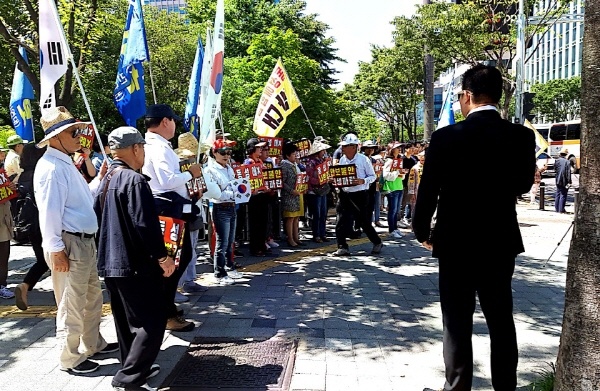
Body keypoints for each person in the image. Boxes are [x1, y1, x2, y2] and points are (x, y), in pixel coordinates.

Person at [412, 64, 535, 391]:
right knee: (501, 321)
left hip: (455, 242)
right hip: (500, 240)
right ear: (499, 95)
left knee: (456, 322)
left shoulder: (445, 138)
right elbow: (523, 184)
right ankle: (505, 388)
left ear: (467, 96)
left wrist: (422, 231)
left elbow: (428, 192)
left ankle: (457, 388)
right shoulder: (521, 137)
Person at [33, 106, 117, 374]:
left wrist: (99, 180)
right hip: (70, 242)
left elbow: (78, 202)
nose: (79, 136)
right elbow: (49, 212)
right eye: (73, 132)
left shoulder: (63, 163)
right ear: (56, 136)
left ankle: (93, 342)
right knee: (72, 302)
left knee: (91, 297)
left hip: (82, 241)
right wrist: (56, 249)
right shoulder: (51, 168)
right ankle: (69, 357)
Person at [94, 126, 175, 391]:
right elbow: (145, 224)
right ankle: (128, 380)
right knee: (153, 318)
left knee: (128, 321)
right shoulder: (134, 180)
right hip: (134, 262)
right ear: (136, 148)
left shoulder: (106, 179)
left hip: (111, 261)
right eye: (143, 149)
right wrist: (163, 257)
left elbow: (96, 215)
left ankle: (135, 367)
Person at [142, 104, 203, 332]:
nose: (175, 125)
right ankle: (165, 312)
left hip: (171, 209)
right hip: (167, 211)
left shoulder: (157, 145)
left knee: (179, 258)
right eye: (174, 120)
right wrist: (191, 173)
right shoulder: (157, 147)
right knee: (174, 261)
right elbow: (167, 181)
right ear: (165, 121)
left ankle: (166, 306)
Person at [332, 133, 383, 256]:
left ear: (353, 147)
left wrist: (362, 181)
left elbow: (372, 176)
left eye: (345, 146)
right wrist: (334, 180)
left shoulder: (363, 159)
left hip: (360, 194)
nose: (342, 148)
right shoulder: (342, 160)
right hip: (345, 194)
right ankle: (342, 246)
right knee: (340, 221)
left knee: (363, 222)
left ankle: (377, 242)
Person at [173, 132, 209, 297]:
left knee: (192, 249)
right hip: (179, 213)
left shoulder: (196, 167)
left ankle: (190, 281)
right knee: (179, 251)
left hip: (194, 212)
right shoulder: (177, 169)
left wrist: (198, 193)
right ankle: (176, 287)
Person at [204, 138, 244, 285]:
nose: (227, 155)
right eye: (223, 152)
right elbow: (215, 193)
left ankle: (229, 266)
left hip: (231, 206)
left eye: (229, 152)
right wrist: (232, 193)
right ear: (214, 153)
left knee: (230, 241)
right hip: (220, 207)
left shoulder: (229, 168)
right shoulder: (209, 170)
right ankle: (219, 272)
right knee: (222, 242)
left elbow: (233, 186)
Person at [13, 144, 48, 309]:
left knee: (43, 260)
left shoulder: (23, 176)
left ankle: (25, 286)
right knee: (53, 259)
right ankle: (26, 285)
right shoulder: (40, 175)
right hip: (45, 223)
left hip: (31, 225)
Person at [243, 138, 271, 256]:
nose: (261, 150)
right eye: (259, 147)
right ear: (252, 149)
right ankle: (255, 248)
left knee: (264, 222)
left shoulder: (260, 161)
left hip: (263, 195)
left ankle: (262, 245)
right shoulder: (248, 163)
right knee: (255, 223)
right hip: (254, 197)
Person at [305, 137, 331, 243]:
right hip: (314, 190)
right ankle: (316, 234)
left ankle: (322, 233)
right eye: (323, 150)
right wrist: (319, 181)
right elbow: (309, 177)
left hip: (323, 189)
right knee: (317, 213)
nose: (324, 152)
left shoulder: (322, 161)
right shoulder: (311, 162)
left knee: (323, 213)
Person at [280, 142, 305, 247]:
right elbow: (282, 182)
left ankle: (296, 237)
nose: (296, 156)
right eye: (294, 154)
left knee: (296, 217)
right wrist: (291, 190)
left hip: (298, 193)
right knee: (290, 218)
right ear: (287, 155)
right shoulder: (284, 165)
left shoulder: (295, 164)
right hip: (289, 195)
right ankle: (290, 238)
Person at [382, 142, 406, 239]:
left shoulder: (398, 160)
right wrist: (397, 172)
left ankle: (395, 228)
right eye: (397, 148)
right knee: (392, 210)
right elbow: (386, 176)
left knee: (396, 211)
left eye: (400, 147)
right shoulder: (389, 161)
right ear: (392, 150)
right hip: (392, 188)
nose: (399, 149)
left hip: (399, 186)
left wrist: (402, 173)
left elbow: (400, 176)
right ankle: (391, 230)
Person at [554, 148, 571, 213]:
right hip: (564, 180)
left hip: (557, 179)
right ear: (566, 154)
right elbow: (568, 172)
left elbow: (555, 169)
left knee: (558, 193)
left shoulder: (557, 161)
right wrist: (569, 181)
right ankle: (561, 209)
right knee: (563, 194)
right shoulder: (567, 162)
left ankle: (557, 208)